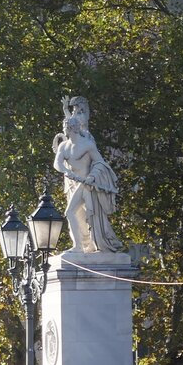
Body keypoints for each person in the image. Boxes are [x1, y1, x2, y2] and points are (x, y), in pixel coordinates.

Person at [51, 98, 124, 255]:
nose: (64, 128)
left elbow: (100, 163)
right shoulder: (64, 146)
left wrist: (92, 177)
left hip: (86, 185)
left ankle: (89, 245)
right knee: (75, 213)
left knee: (87, 215)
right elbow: (57, 164)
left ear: (73, 128)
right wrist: (67, 171)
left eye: (66, 126)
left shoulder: (87, 145)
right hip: (73, 184)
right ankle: (80, 245)